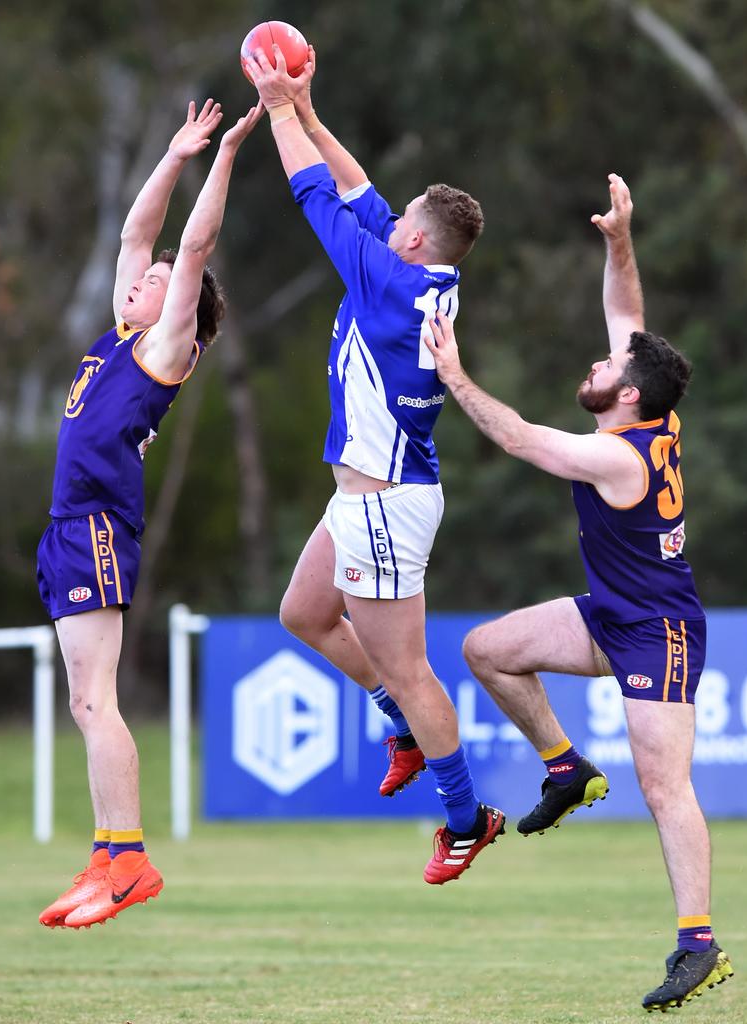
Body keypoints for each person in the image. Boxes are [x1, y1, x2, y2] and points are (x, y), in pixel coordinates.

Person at [425, 173, 734, 1008]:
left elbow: (521, 437)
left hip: (659, 630)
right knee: (486, 650)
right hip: (613, 615)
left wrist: (453, 373)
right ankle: (567, 769)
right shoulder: (651, 414)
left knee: (667, 787)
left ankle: (699, 945)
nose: (596, 362)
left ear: (625, 394)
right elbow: (627, 314)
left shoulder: (616, 453)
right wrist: (618, 237)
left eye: (607, 365)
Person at [241, 43, 503, 883]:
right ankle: (399, 726)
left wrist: (279, 107)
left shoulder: (390, 285)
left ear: (417, 238)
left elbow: (316, 192)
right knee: (304, 614)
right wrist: (315, 113)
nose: (384, 223)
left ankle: (466, 819)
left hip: (384, 503)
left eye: (398, 223)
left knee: (408, 664)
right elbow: (357, 190)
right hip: (371, 494)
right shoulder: (425, 275)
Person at [37, 98, 264, 929]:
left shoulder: (164, 350)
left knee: (97, 701)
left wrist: (229, 154)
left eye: (161, 285)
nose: (142, 279)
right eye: (144, 281)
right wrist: (173, 157)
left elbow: (191, 247)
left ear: (184, 317)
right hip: (69, 529)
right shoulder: (114, 334)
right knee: (83, 703)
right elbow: (142, 236)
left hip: (96, 526)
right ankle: (107, 857)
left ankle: (128, 859)